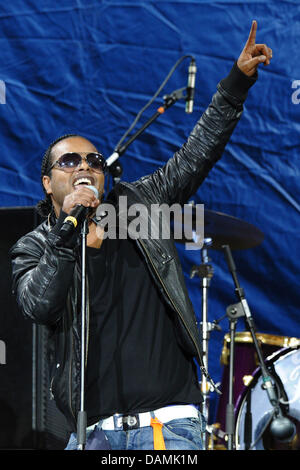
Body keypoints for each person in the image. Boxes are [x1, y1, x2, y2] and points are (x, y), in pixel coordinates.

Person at [10, 21, 272, 451]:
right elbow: (39, 304)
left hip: (167, 428)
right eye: (69, 161)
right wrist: (67, 233)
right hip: (92, 433)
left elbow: (196, 152)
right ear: (46, 182)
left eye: (93, 160)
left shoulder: (138, 206)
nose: (84, 166)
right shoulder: (35, 246)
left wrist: (235, 84)